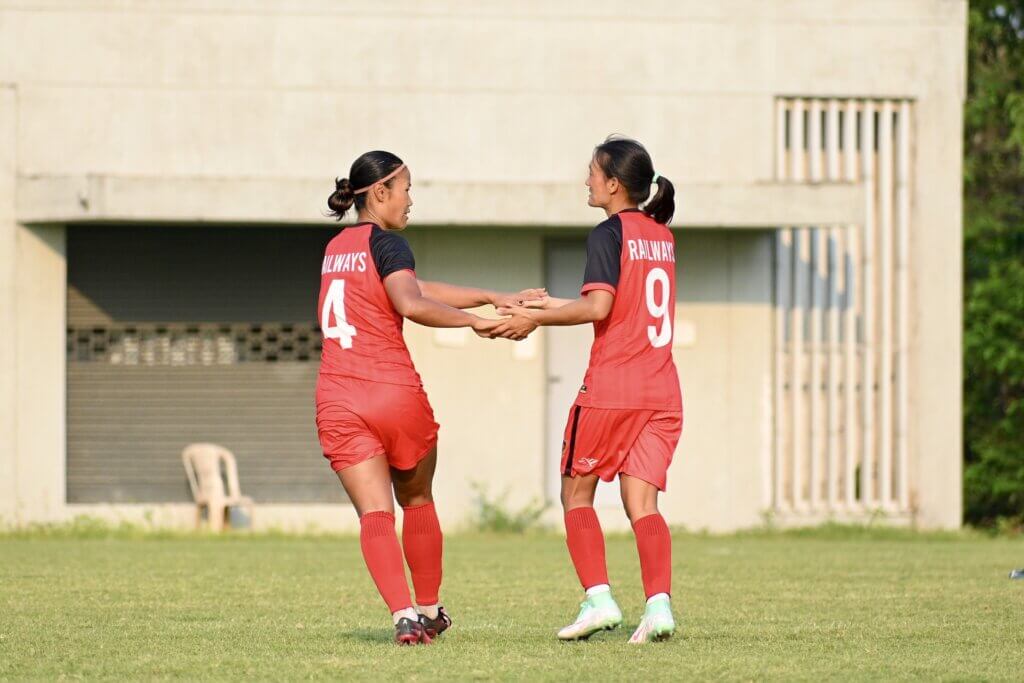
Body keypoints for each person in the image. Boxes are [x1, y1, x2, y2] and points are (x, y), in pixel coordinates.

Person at [317, 150, 542, 645]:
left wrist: (488, 294)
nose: (410, 200)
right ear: (380, 193)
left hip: (337, 396)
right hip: (392, 392)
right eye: (406, 189)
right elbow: (411, 301)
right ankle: (430, 608)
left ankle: (404, 617)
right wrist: (478, 323)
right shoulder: (389, 244)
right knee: (416, 497)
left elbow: (411, 286)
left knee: (375, 513)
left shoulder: (337, 247)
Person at [493, 136, 682, 644]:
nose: (586, 180)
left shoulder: (607, 234)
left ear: (614, 184)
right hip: (661, 391)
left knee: (576, 493)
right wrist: (547, 302)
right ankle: (659, 607)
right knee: (642, 504)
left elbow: (599, 308)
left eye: (593, 173)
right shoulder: (660, 236)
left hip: (612, 388)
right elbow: (621, 303)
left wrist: (535, 317)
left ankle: (598, 599)